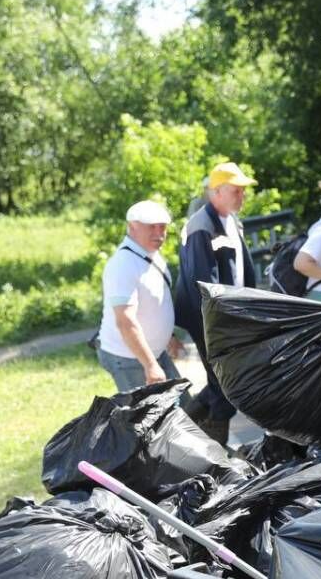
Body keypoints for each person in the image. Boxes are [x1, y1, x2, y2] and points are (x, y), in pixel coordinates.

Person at [175, 161, 259, 445]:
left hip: (227, 314)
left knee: (221, 380)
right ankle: (215, 450)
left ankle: (183, 425)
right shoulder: (201, 225)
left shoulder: (231, 220)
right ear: (217, 191)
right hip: (207, 317)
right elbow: (204, 283)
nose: (242, 196)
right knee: (225, 382)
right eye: (236, 191)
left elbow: (243, 270)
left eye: (242, 191)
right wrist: (223, 321)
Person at [98, 200, 184, 392]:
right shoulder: (123, 264)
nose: (158, 232)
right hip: (129, 358)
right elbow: (125, 322)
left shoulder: (151, 254)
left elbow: (155, 302)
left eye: (162, 227)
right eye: (151, 226)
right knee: (146, 419)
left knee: (182, 411)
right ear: (132, 227)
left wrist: (168, 336)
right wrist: (150, 366)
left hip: (154, 353)